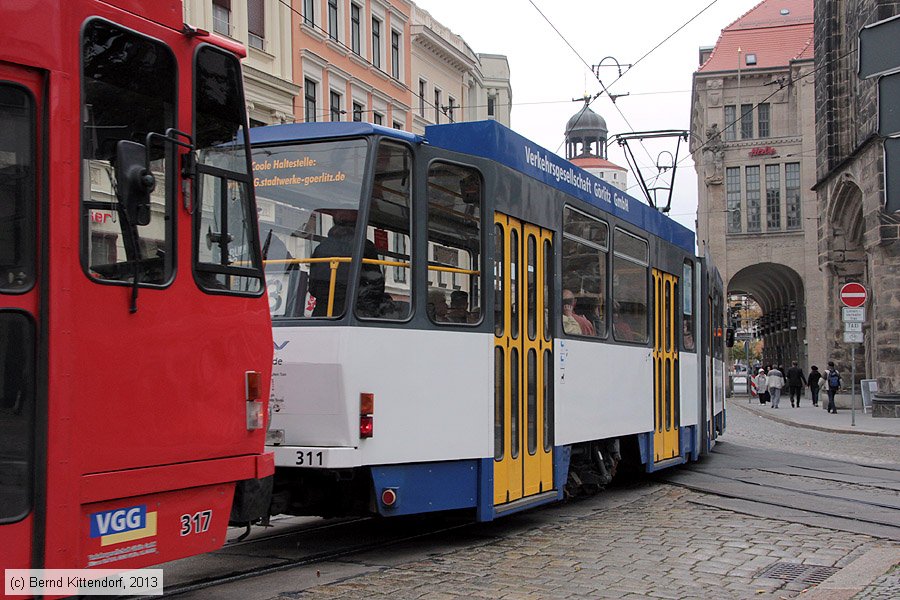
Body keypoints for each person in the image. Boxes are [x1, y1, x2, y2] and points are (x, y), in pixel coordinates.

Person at [308, 212, 379, 317]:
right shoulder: (365, 246)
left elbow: (313, 288)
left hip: (321, 313)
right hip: (355, 313)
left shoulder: (321, 248)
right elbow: (377, 283)